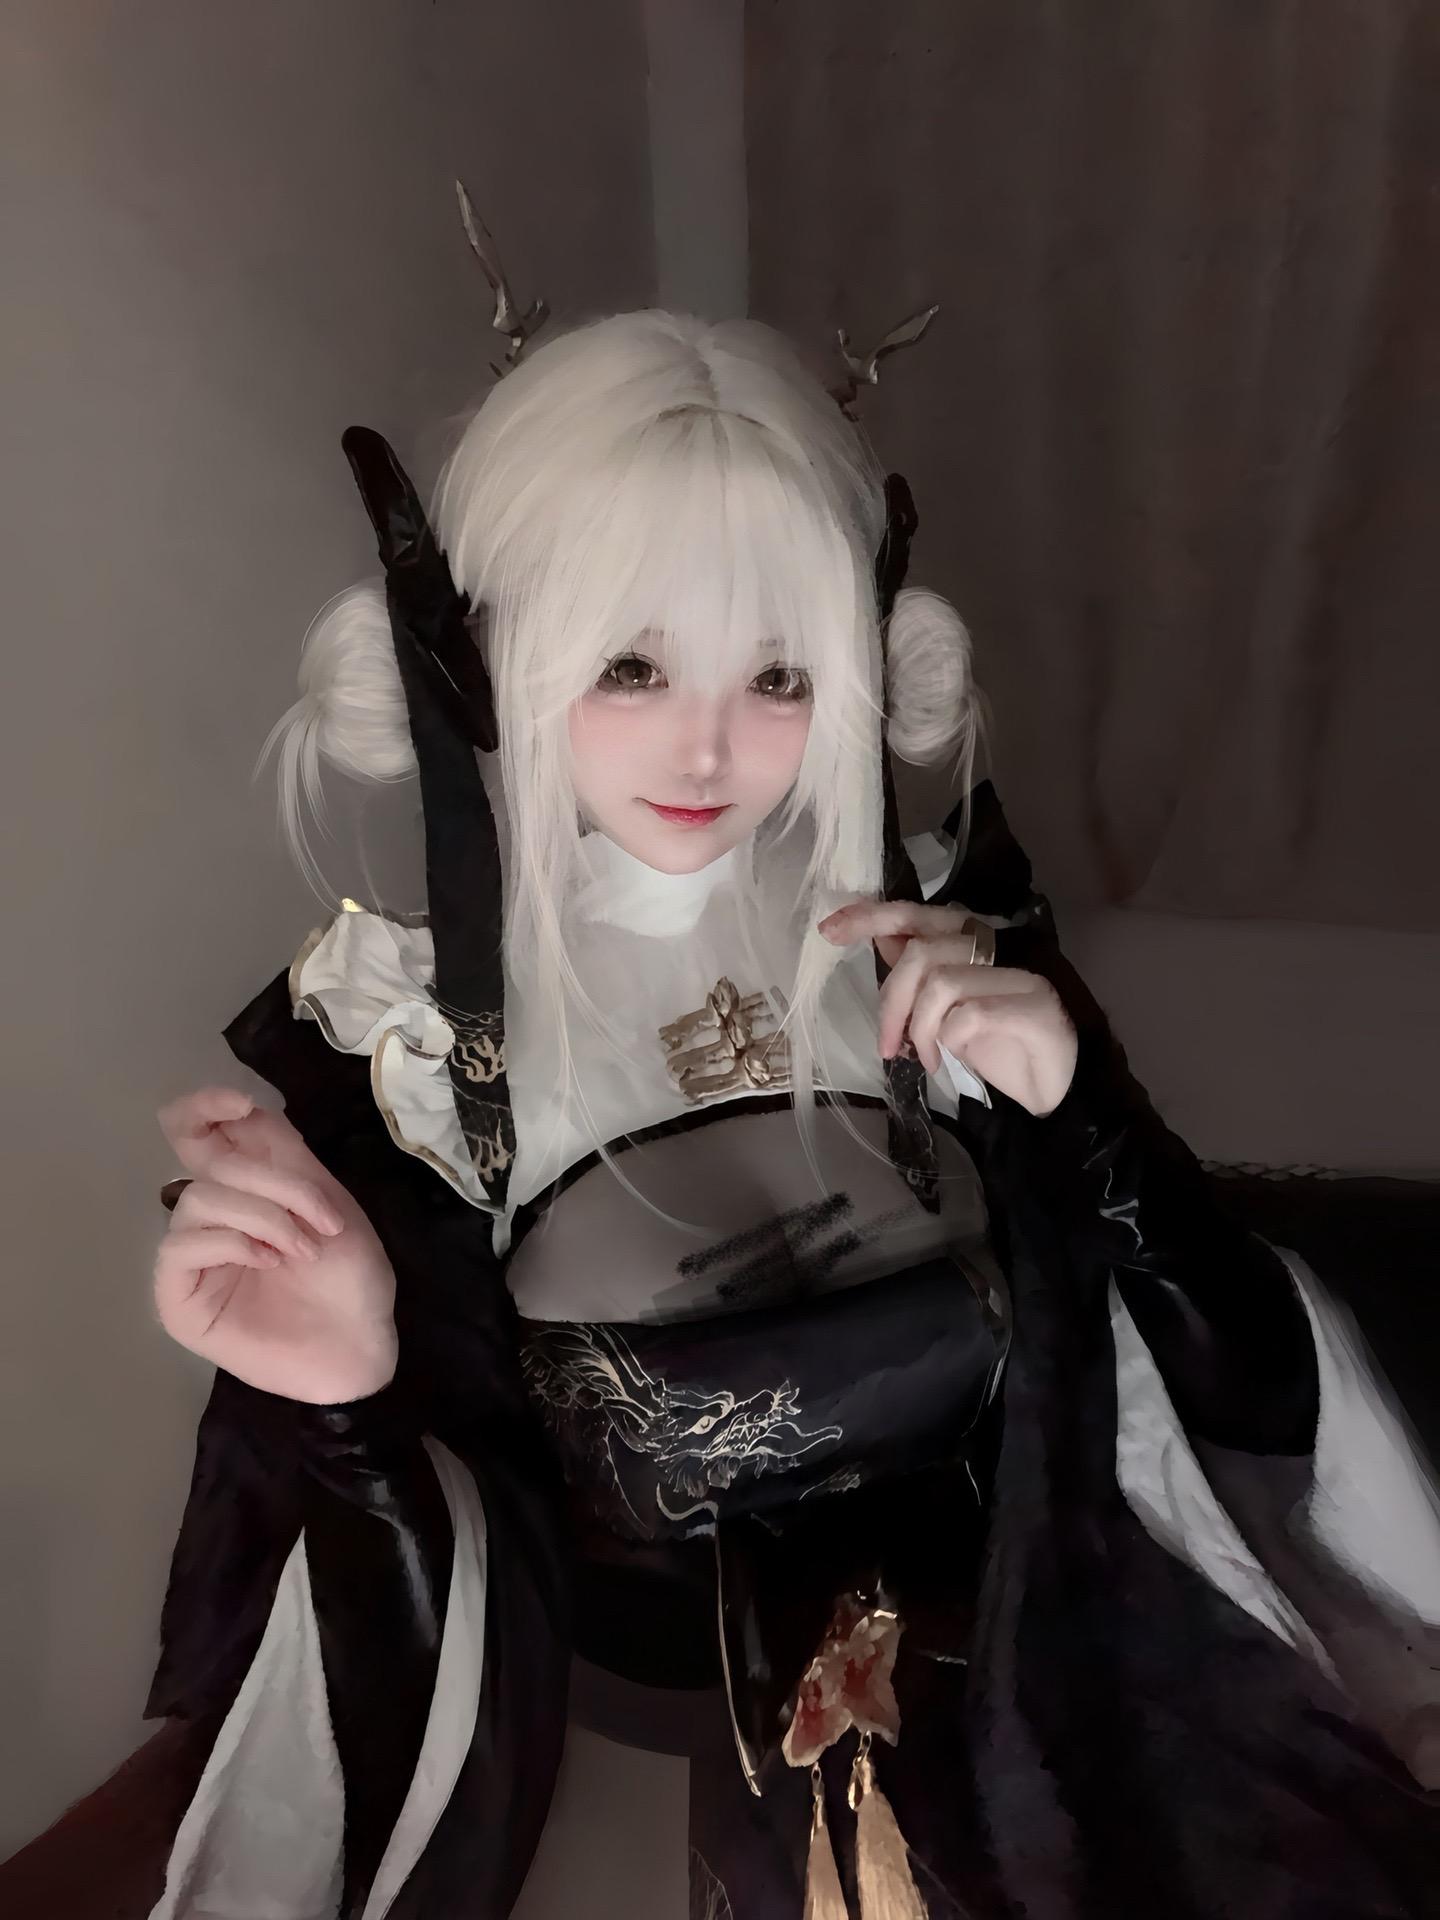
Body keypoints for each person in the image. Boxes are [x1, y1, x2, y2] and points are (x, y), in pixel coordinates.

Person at [140, 308, 1440, 1920]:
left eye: (779, 675)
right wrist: (346, 1399)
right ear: (481, 655)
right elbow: (416, 1559)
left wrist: (1086, 1120)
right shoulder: (398, 1039)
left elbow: (1226, 1374)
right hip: (653, 1726)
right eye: (630, 666)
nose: (708, 745)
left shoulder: (938, 936)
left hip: (1040, 1655)